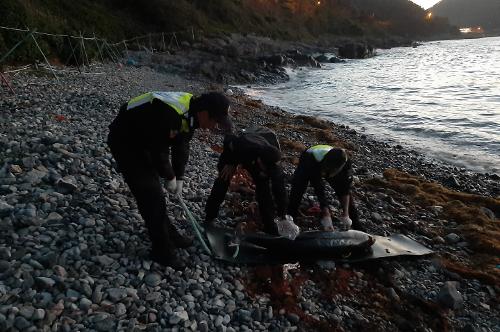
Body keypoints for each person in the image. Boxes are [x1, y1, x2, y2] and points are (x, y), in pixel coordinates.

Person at [107, 91, 232, 268]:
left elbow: (182, 144)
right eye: (215, 121)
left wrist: (179, 177)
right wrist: (169, 175)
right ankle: (162, 252)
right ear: (205, 113)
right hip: (126, 141)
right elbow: (160, 149)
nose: (214, 126)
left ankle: (170, 234)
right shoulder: (170, 112)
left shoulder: (192, 112)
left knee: (154, 192)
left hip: (146, 140)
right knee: (150, 194)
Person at [204, 128, 291, 235]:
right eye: (265, 170)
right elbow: (228, 138)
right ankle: (209, 217)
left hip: (258, 156)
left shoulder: (275, 168)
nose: (266, 173)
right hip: (234, 153)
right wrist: (231, 162)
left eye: (269, 171)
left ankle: (269, 228)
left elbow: (280, 191)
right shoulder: (245, 147)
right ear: (259, 161)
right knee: (223, 179)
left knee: (264, 192)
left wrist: (283, 215)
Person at [288, 145, 364, 231]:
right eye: (325, 171)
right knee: (298, 187)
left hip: (333, 167)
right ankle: (290, 217)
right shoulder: (313, 160)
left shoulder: (346, 163)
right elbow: (319, 188)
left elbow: (345, 189)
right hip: (309, 159)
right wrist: (326, 213)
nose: (326, 174)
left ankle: (357, 225)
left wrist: (346, 214)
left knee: (343, 190)